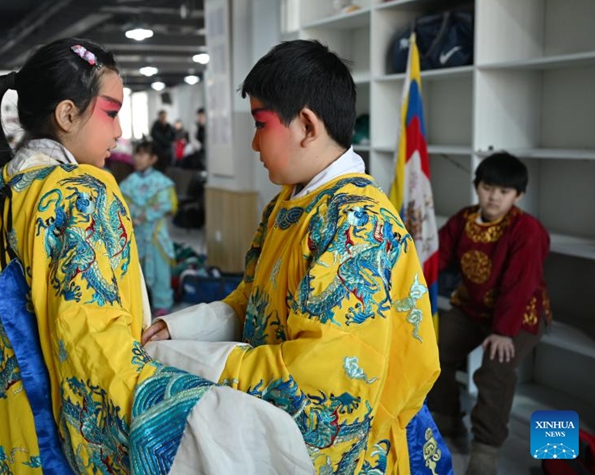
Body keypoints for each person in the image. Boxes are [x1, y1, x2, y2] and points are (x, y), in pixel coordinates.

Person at [0, 38, 311, 474]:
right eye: (111, 113)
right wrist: (190, 410)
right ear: (67, 114)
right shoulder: (82, 193)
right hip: (52, 437)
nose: (119, 132)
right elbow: (94, 352)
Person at [142, 39, 451, 474]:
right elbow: (252, 301)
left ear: (306, 125)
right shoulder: (289, 203)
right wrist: (176, 331)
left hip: (357, 448)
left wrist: (183, 360)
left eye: (260, 123)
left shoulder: (356, 223)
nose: (253, 143)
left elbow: (319, 383)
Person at [428, 151, 551, 474]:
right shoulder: (464, 219)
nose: (494, 196)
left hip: (518, 315)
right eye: (488, 187)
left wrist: (503, 331)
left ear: (518, 195)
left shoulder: (528, 231)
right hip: (472, 307)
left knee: (496, 369)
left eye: (504, 191)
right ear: (477, 186)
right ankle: (447, 418)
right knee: (432, 349)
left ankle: (486, 446)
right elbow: (437, 257)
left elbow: (520, 286)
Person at [119, 141, 177, 316]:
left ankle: (162, 302)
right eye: (136, 153)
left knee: (160, 270)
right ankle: (139, 304)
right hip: (135, 233)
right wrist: (135, 216)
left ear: (153, 159)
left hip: (155, 234)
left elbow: (167, 203)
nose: (138, 158)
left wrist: (144, 215)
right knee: (136, 271)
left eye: (143, 154)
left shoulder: (162, 182)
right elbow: (122, 204)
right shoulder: (128, 182)